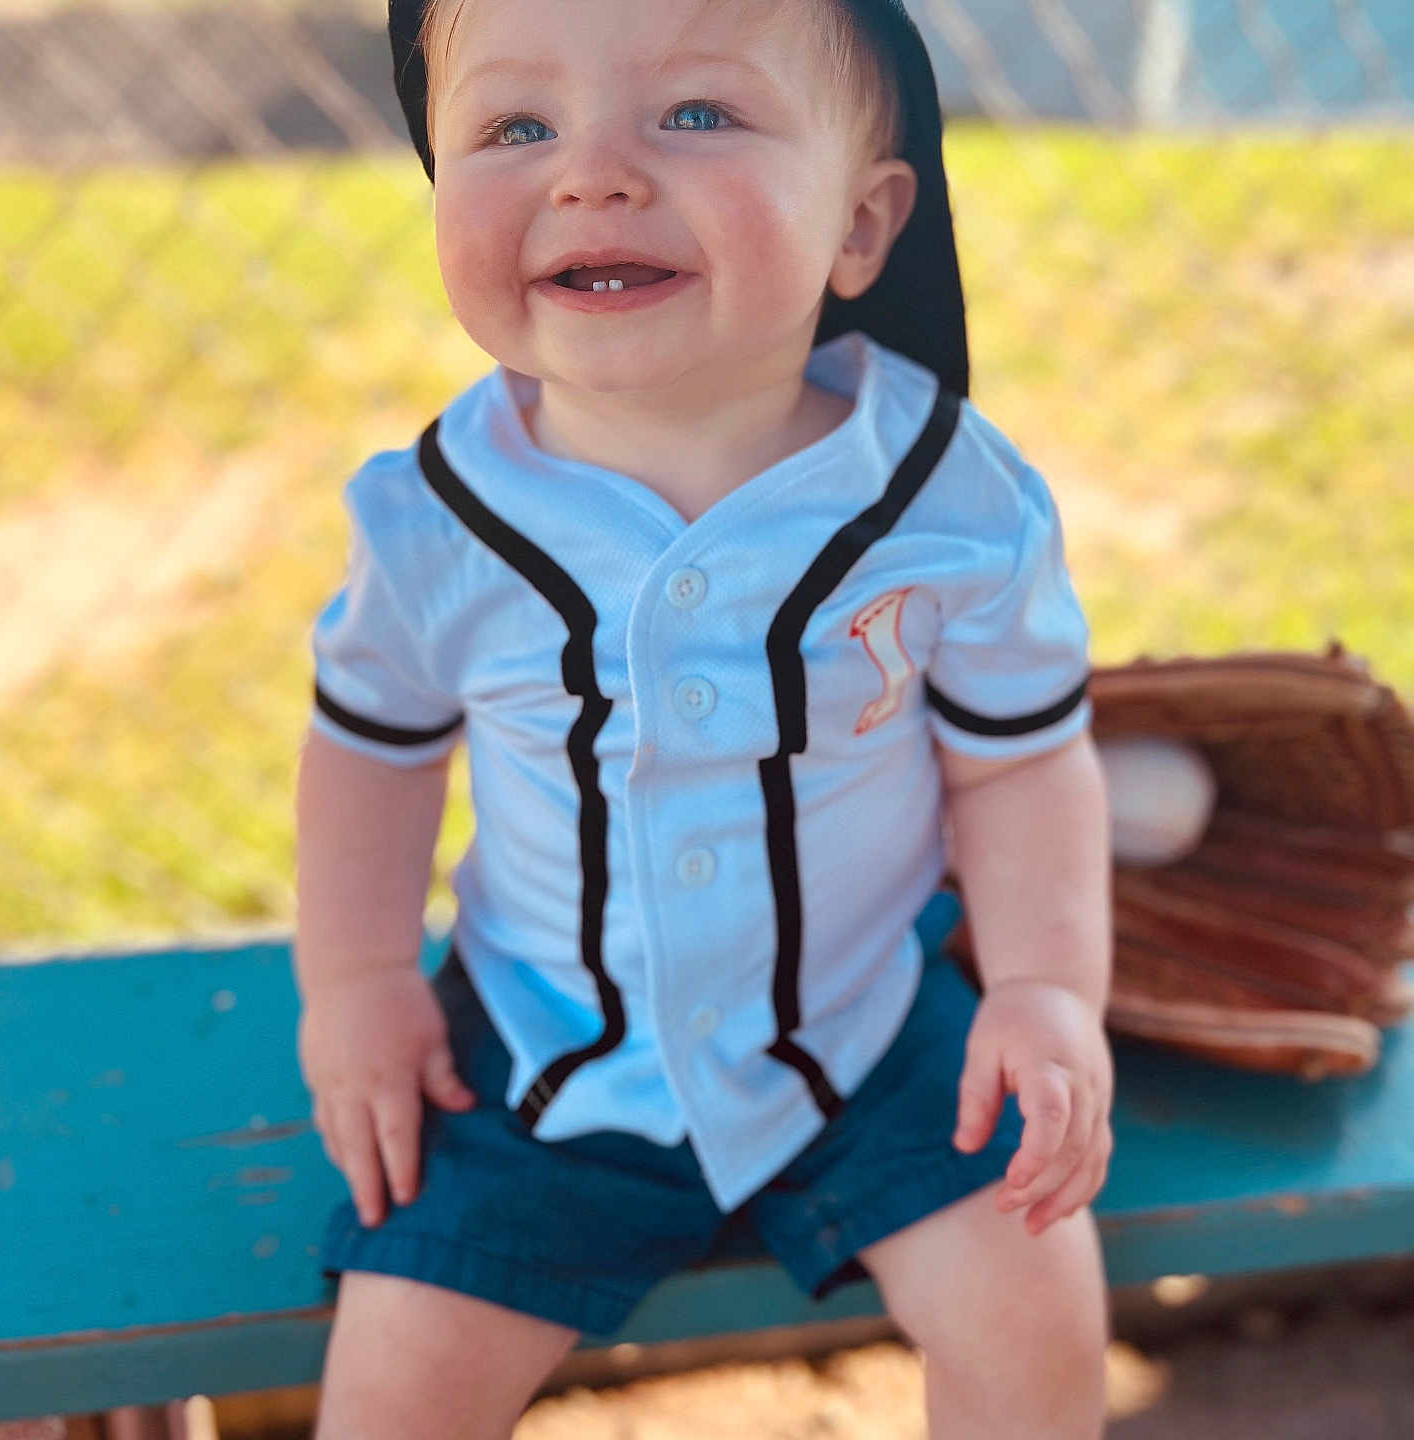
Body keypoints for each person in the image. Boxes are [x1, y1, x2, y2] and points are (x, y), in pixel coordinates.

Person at [293, 0, 1114, 1434]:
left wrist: (1047, 988)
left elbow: (1025, 759)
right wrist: (357, 981)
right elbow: (371, 751)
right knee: (392, 1390)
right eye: (514, 126)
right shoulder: (436, 520)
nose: (591, 174)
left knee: (1036, 1309)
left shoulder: (945, 491)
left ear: (862, 226)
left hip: (867, 1032)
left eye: (696, 114)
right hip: (544, 1053)